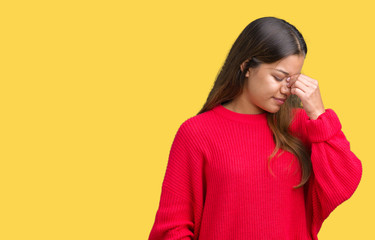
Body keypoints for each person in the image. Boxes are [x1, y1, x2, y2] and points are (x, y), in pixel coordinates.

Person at [148, 16, 362, 240]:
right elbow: (172, 229)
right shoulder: (196, 133)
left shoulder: (301, 125)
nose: (285, 90)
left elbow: (345, 180)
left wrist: (319, 115)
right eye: (279, 77)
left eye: (292, 81)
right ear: (247, 66)